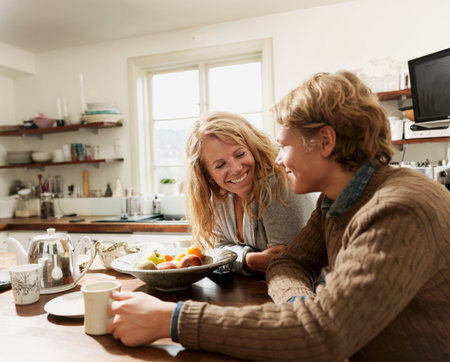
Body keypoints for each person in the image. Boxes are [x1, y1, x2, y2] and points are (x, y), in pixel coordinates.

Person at [107, 71, 450, 361]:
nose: (279, 159)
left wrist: (172, 319)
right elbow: (289, 264)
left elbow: (323, 332)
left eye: (284, 145)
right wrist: (297, 305)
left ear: (325, 141)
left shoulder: (399, 208)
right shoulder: (334, 204)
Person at [183, 111, 316, 274]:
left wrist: (231, 258)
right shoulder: (220, 195)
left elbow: (285, 264)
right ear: (206, 174)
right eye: (220, 165)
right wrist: (248, 260)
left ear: (253, 147)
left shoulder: (279, 183)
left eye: (240, 154)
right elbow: (213, 252)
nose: (236, 169)